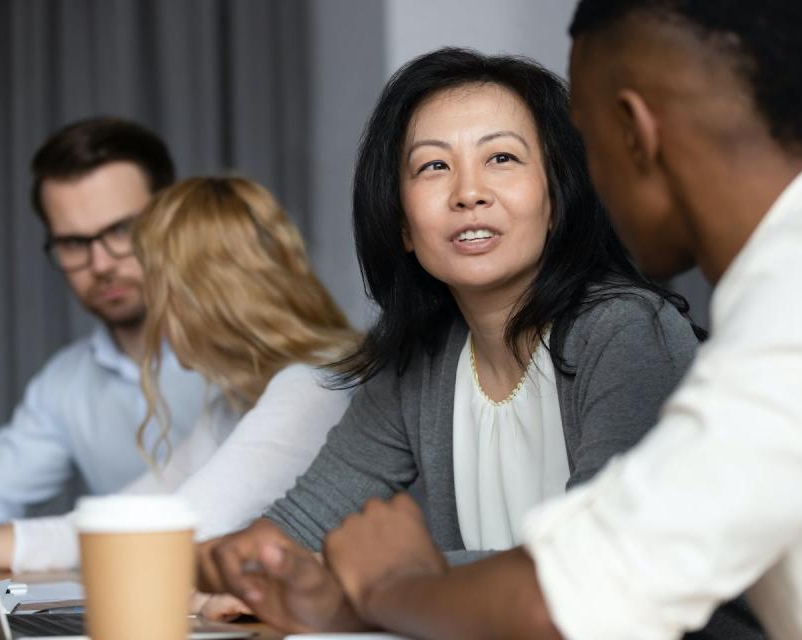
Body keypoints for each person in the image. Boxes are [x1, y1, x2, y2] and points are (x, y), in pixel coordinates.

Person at [256, 2, 802, 639]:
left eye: (581, 142)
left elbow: (577, 600)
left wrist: (388, 584)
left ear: (634, 131)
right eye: (434, 166)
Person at [197, 48, 761, 637]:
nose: (469, 192)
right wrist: (242, 571)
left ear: (556, 201)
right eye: (433, 167)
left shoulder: (624, 330)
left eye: (502, 158)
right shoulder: (420, 359)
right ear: (403, 225)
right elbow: (296, 526)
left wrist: (372, 581)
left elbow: (599, 567)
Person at [0, 177, 360, 588]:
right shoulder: (231, 404)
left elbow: (162, 539)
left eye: (161, 290)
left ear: (203, 298)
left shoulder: (312, 388)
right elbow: (122, 520)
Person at [0, 117, 210, 525]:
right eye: (74, 243)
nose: (100, 265)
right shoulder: (64, 384)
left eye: (121, 230)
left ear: (172, 220)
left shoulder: (247, 351)